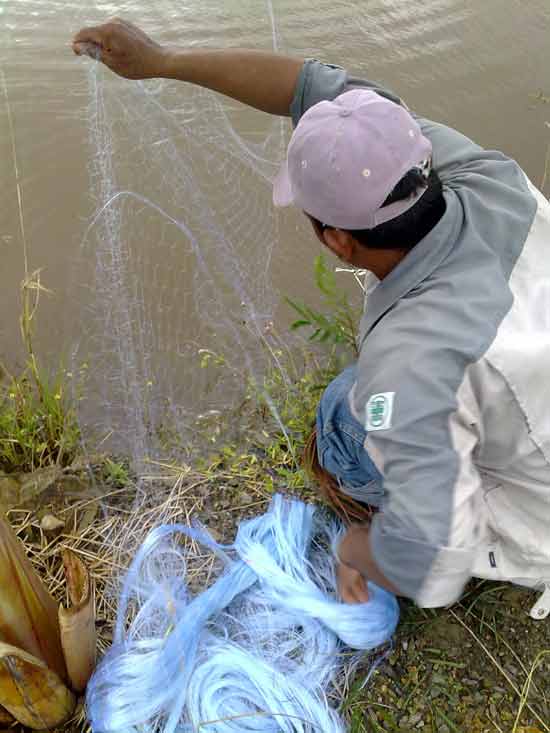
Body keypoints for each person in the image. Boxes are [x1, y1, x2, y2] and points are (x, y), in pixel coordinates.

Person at [72, 18, 550, 616]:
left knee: (341, 427)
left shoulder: (411, 364)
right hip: (529, 366)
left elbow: (432, 564)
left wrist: (356, 550)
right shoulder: (479, 173)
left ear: (338, 243)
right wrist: (160, 60)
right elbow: (302, 86)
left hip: (538, 504)